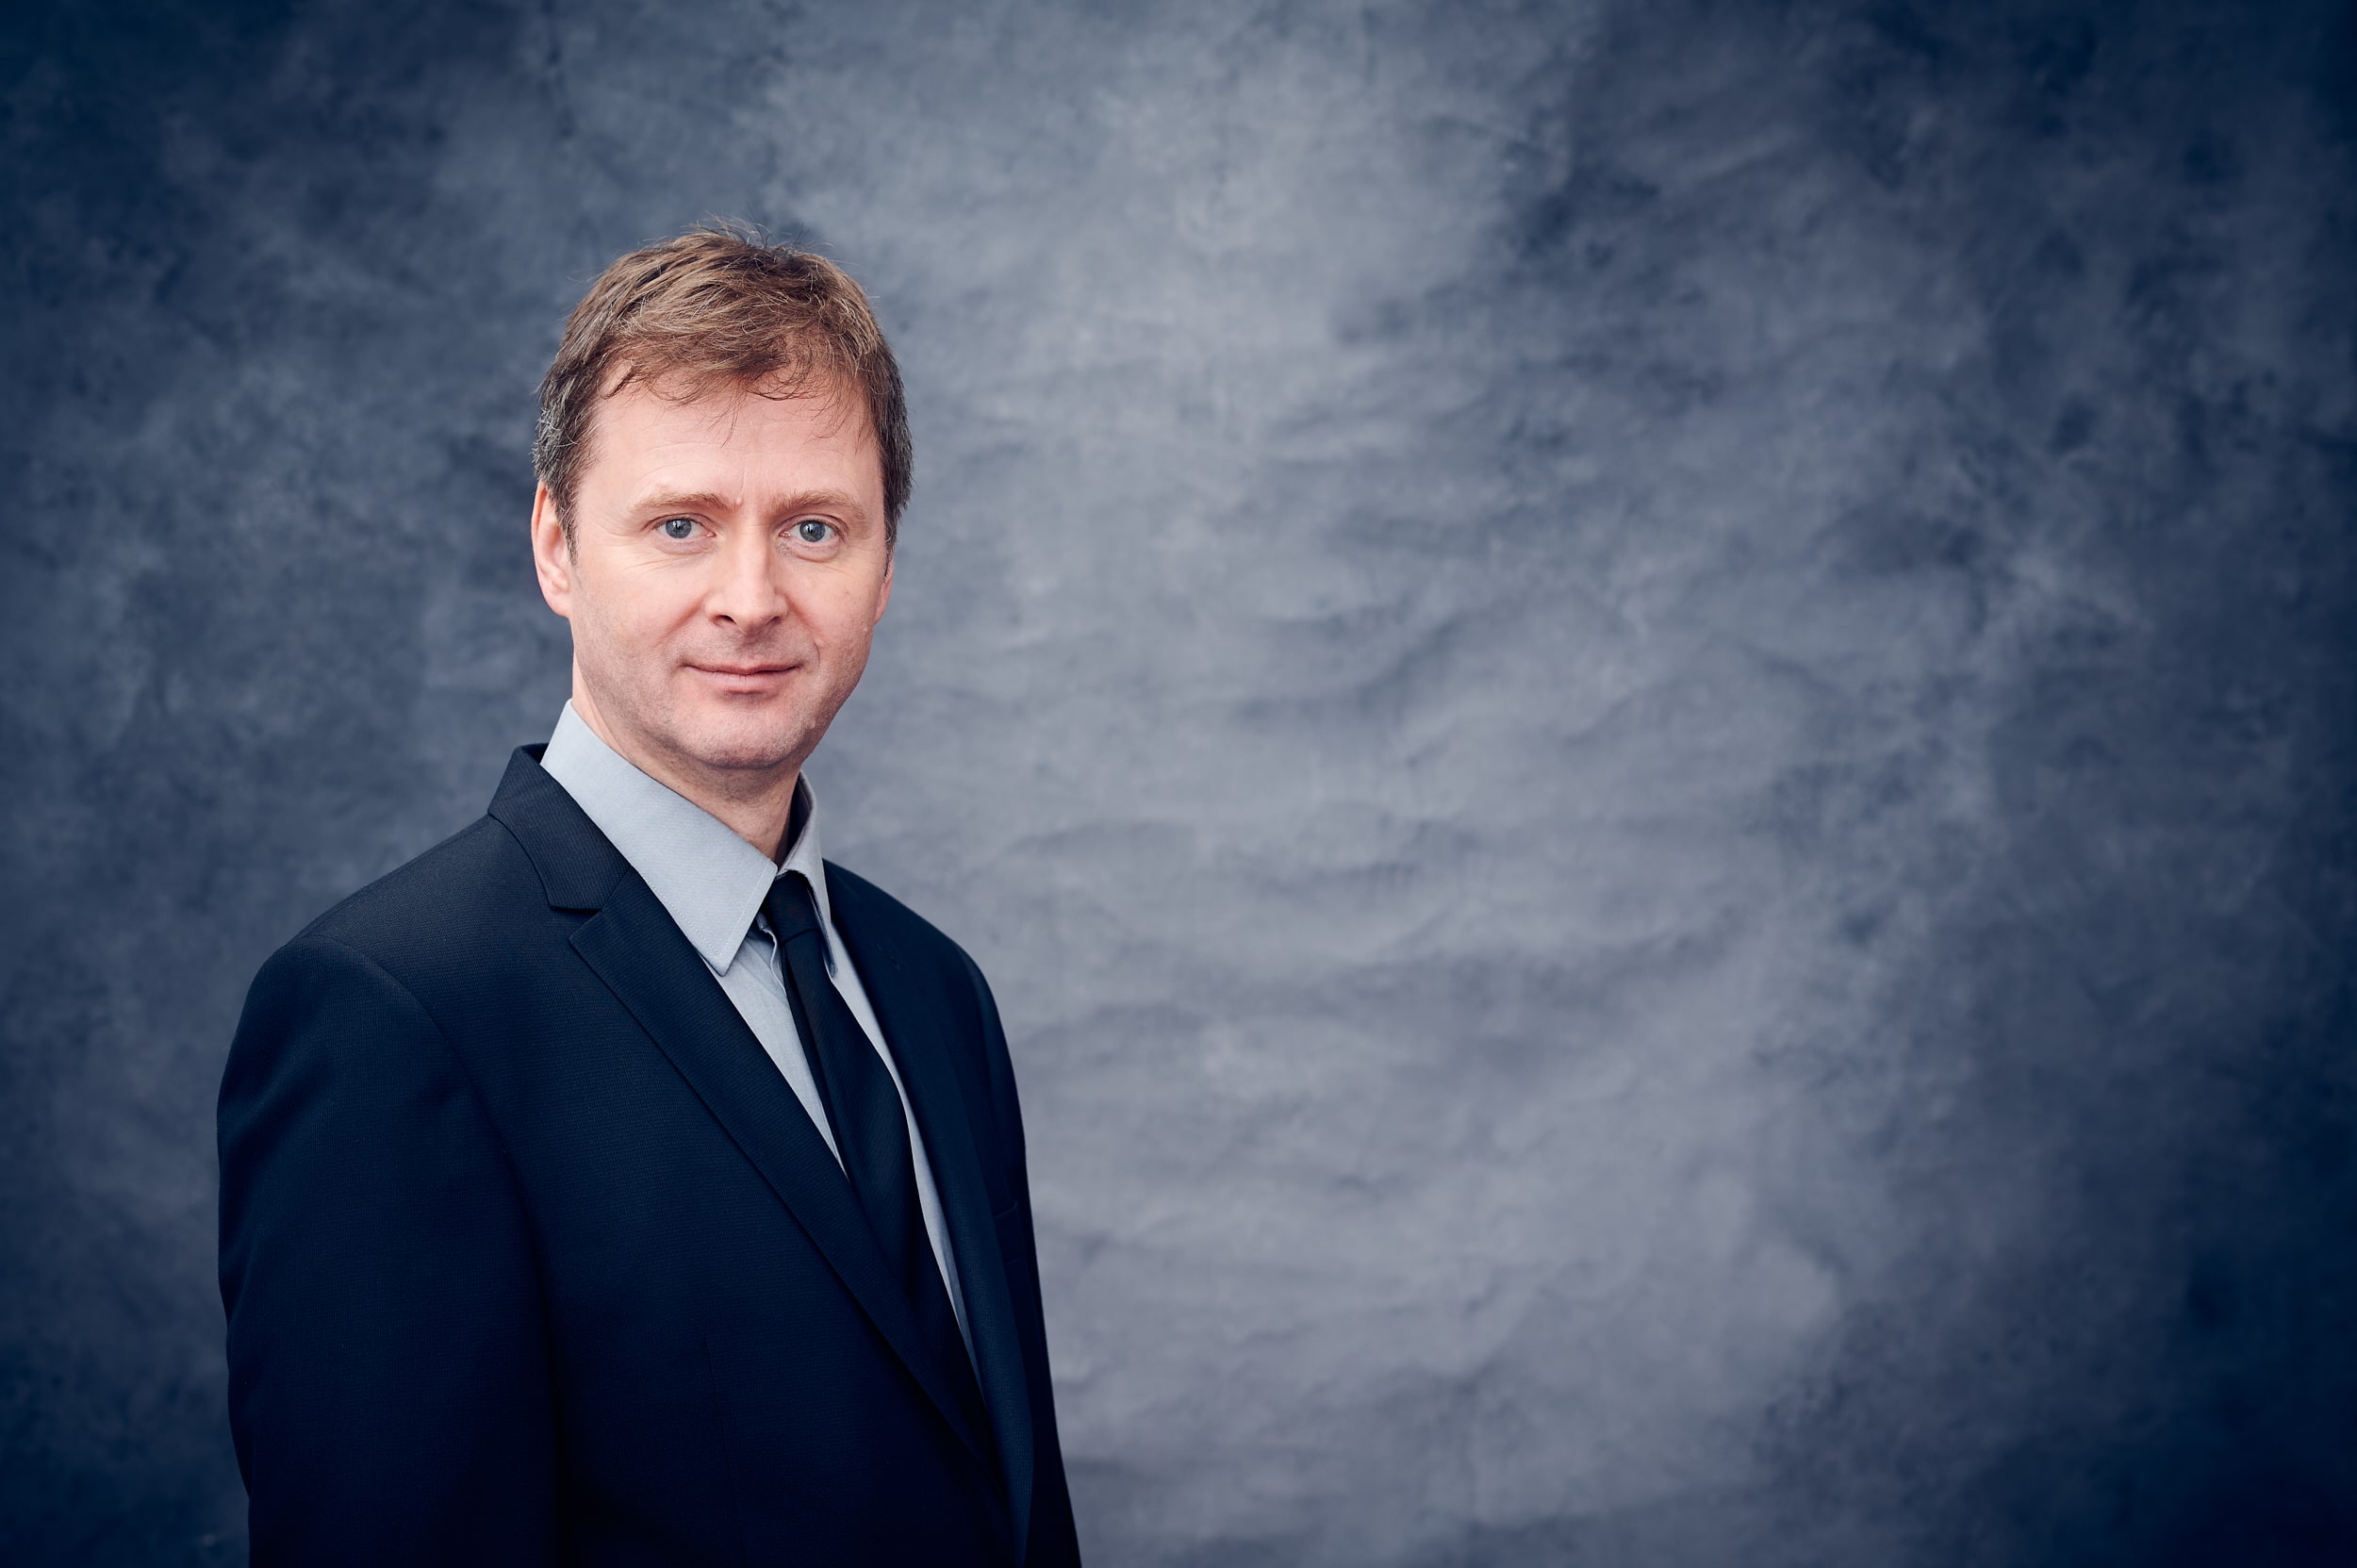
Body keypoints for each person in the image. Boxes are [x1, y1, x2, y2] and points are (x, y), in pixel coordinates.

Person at [217, 226, 1082, 1565]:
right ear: (557, 549)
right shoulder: (392, 1018)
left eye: (814, 528)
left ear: (885, 568)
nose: (752, 599)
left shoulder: (933, 992)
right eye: (681, 526)